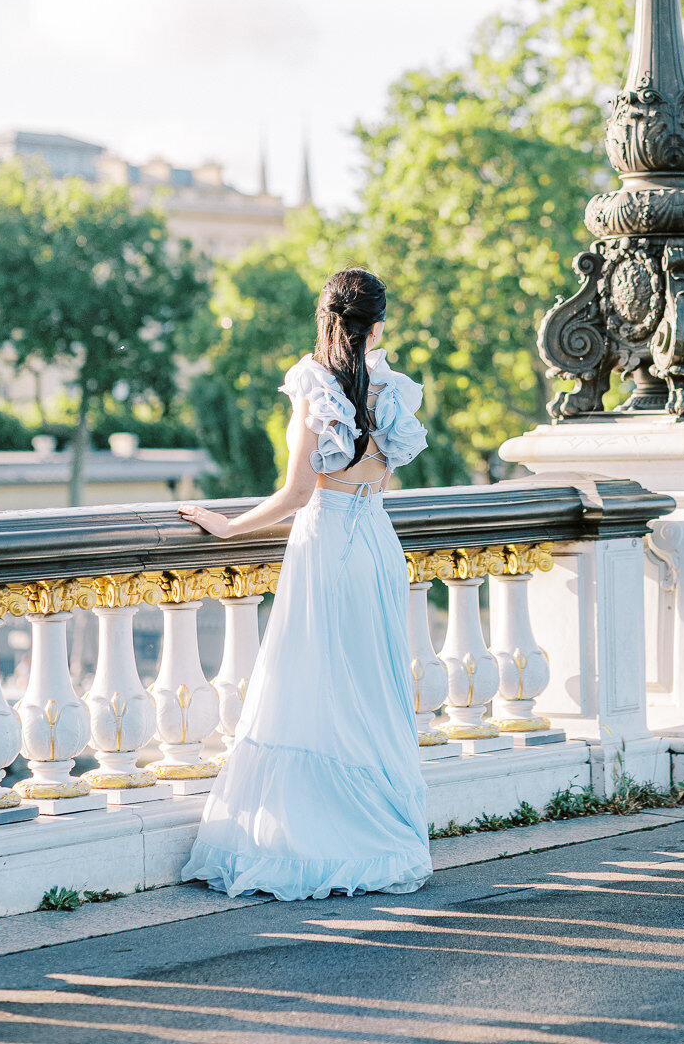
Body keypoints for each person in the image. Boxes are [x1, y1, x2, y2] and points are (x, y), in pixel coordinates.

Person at [177, 266, 432, 901]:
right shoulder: (391, 387)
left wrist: (229, 528)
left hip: (327, 547)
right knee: (371, 689)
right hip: (377, 544)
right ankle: (380, 833)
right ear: (376, 327)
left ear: (324, 320)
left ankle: (311, 839)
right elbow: (381, 477)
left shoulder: (312, 385)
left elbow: (297, 491)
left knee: (310, 685)